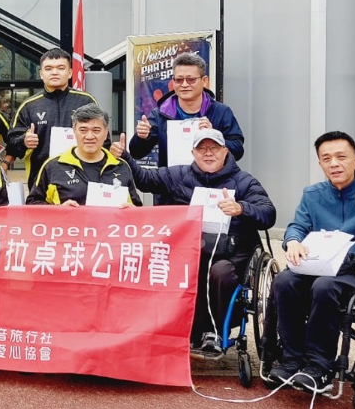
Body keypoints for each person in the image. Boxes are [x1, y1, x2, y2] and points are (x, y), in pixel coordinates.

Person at [115, 127, 275, 354]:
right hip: (189, 250)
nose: (208, 153)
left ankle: (213, 331)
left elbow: (268, 213)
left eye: (214, 148)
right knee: (169, 266)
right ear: (193, 153)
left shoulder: (244, 182)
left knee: (219, 272)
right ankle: (178, 327)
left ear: (225, 151)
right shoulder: (180, 175)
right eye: (202, 148)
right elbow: (145, 180)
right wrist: (125, 157)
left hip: (231, 255)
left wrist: (241, 208)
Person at [270, 131, 355, 392]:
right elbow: (297, 225)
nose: (334, 163)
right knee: (284, 281)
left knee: (324, 287)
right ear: (320, 164)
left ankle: (318, 366)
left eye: (341, 157)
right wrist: (293, 241)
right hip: (318, 263)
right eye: (326, 158)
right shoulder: (312, 194)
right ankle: (291, 359)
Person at [127, 52, 244, 200]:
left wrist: (215, 136)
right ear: (173, 81)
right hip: (171, 192)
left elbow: (237, 150)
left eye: (191, 79)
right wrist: (141, 137)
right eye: (179, 80)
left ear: (204, 81)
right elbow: (137, 152)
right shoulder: (160, 114)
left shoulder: (221, 112)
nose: (184, 84)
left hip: (211, 190)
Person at [7, 48, 100, 184]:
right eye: (48, 68)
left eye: (61, 68)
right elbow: (11, 144)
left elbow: (103, 140)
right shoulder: (29, 106)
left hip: (82, 179)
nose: (54, 72)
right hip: (41, 181)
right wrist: (24, 141)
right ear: (41, 74)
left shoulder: (86, 101)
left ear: (70, 73)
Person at [28, 105, 140, 206]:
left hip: (110, 223)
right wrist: (59, 210)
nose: (89, 136)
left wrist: (132, 210)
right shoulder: (53, 167)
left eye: (96, 130)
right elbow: (32, 203)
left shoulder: (121, 166)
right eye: (83, 130)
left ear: (106, 133)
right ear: (74, 131)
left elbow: (137, 208)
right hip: (66, 223)